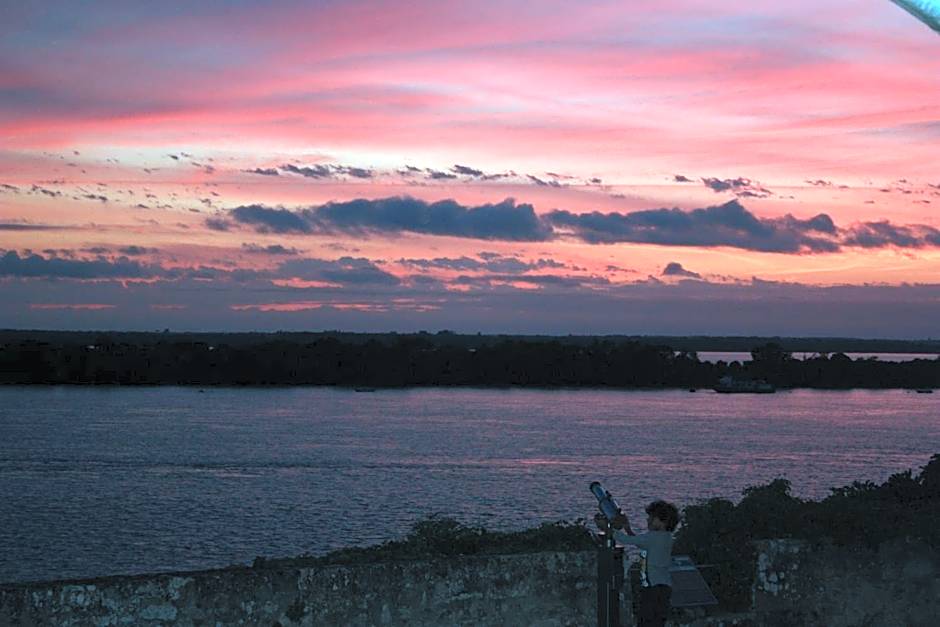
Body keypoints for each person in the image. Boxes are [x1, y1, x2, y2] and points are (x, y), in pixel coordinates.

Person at [595, 500, 680, 627]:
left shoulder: (653, 537)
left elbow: (626, 539)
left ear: (663, 521)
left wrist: (606, 528)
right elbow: (639, 542)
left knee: (646, 620)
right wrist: (627, 528)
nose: (648, 520)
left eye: (652, 518)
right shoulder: (666, 537)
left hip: (652, 588)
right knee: (658, 621)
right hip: (664, 587)